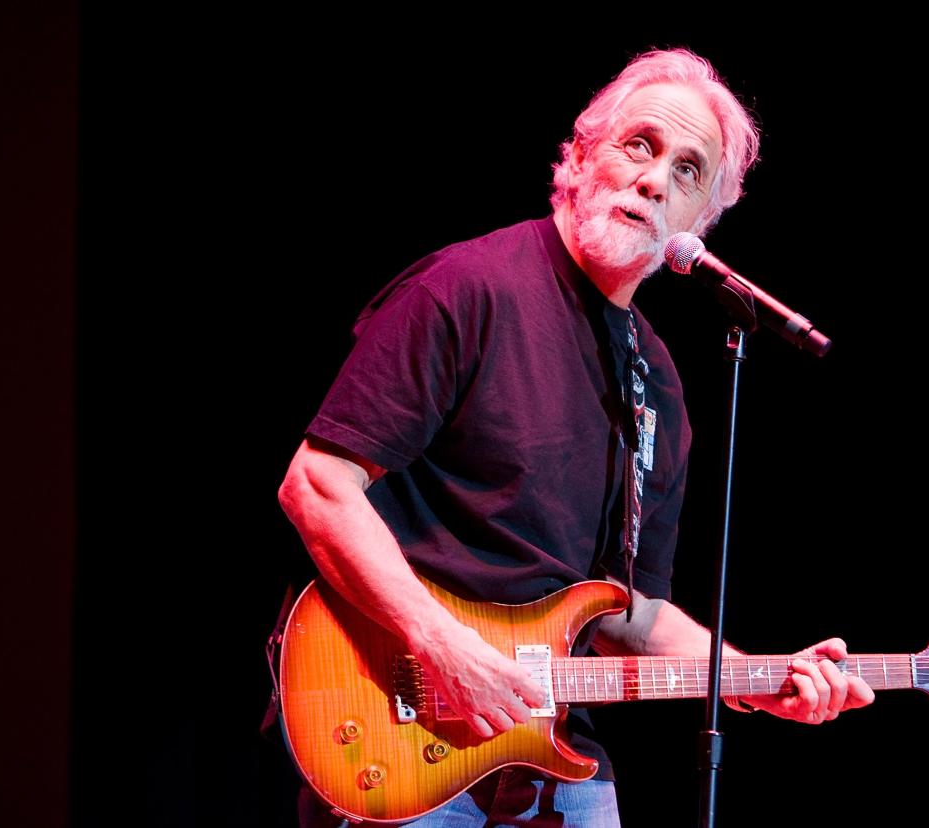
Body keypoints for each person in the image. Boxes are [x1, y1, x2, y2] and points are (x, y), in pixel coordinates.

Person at [277, 47, 874, 827]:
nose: (656, 180)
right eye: (641, 146)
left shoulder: (657, 384)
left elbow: (627, 616)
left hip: (553, 746)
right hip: (397, 720)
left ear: (700, 221)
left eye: (689, 171)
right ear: (582, 152)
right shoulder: (467, 290)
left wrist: (750, 676)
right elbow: (316, 485)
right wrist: (447, 652)